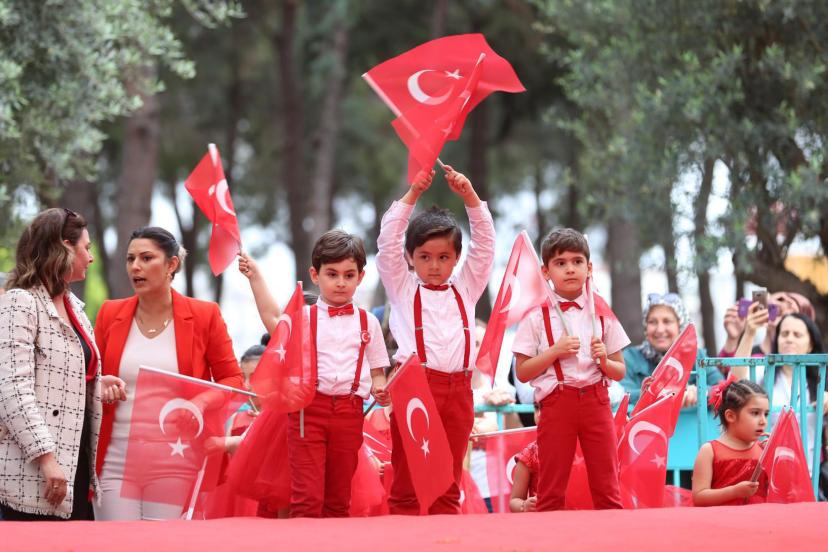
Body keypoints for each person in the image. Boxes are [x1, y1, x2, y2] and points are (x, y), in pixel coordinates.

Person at [92, 226, 244, 520]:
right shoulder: (110, 313)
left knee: (162, 541)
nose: (135, 266)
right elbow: (90, 376)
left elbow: (233, 380)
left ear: (172, 264)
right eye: (130, 259)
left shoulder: (204, 315)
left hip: (176, 458)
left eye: (147, 258)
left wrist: (200, 402)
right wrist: (100, 386)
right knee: (115, 541)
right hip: (115, 458)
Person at [239, 229, 391, 518]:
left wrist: (380, 388)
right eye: (332, 274)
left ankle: (332, 540)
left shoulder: (369, 322)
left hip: (350, 413)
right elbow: (273, 318)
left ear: (361, 277)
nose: (340, 282)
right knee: (306, 497)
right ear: (315, 274)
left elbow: (378, 371)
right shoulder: (303, 317)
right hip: (307, 411)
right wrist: (255, 277)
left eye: (349, 275)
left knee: (339, 498)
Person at [376, 166, 495, 515]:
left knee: (448, 480)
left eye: (444, 257)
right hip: (415, 386)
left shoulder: (467, 286)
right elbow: (387, 242)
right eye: (425, 257)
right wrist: (413, 193)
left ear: (457, 258)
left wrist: (471, 198)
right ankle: (404, 531)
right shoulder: (402, 287)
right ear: (410, 257)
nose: (434, 266)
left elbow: (485, 245)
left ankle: (445, 535)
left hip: (459, 389)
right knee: (407, 481)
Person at [513, 228, 629, 511]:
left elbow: (620, 371)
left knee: (607, 484)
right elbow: (523, 372)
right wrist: (555, 351)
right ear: (546, 272)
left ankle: (614, 532)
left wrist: (604, 361)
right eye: (560, 263)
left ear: (589, 268)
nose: (570, 269)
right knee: (551, 485)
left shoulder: (602, 312)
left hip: (596, 400)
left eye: (577, 261)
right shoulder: (535, 316)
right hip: (556, 402)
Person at [0, 208, 101, 520]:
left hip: (75, 459)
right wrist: (46, 458)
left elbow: (64, 373)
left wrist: (99, 382)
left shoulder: (75, 307)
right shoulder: (20, 301)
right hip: (36, 469)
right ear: (65, 247)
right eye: (86, 248)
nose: (91, 258)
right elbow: (12, 390)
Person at [732, 309, 827, 467]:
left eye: (797, 335)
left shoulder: (822, 377)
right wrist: (749, 333)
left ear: (810, 344)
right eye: (784, 334)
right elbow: (735, 381)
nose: (789, 339)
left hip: (810, 471)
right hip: (766, 470)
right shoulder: (762, 371)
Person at [621, 292, 723, 407]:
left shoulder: (697, 356)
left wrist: (701, 392)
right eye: (652, 322)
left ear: (680, 326)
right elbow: (621, 395)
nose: (660, 330)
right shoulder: (630, 358)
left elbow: (722, 388)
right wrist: (658, 394)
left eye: (667, 321)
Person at [692, 377, 768, 506]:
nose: (763, 421)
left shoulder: (764, 450)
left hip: (758, 517)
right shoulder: (709, 451)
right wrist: (734, 492)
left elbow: (782, 489)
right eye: (755, 413)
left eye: (765, 414)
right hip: (721, 517)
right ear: (730, 416)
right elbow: (699, 497)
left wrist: (777, 455)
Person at [719, 291, 815, 359]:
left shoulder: (814, 368)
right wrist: (732, 339)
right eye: (779, 300)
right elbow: (726, 378)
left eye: (791, 308)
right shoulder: (749, 356)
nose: (780, 306)